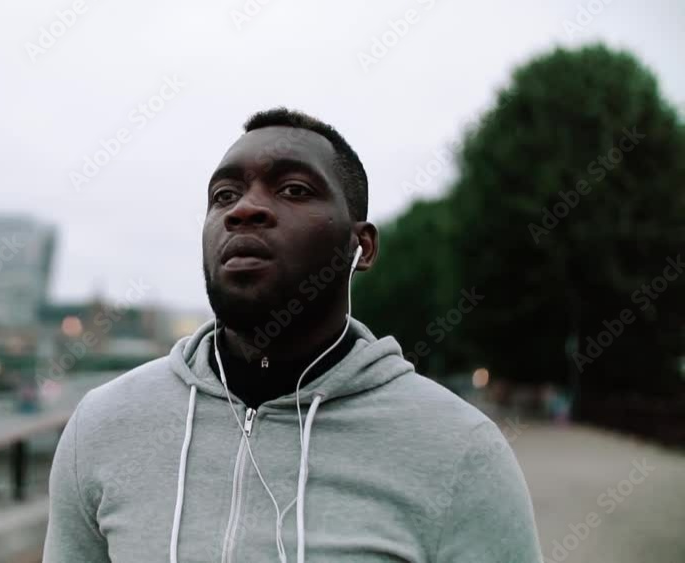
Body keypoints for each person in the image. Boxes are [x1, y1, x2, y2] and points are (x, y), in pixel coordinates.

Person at [44, 108, 542, 562]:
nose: (244, 210)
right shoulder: (103, 424)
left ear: (361, 247)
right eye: (224, 195)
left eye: (295, 190)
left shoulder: (461, 450)